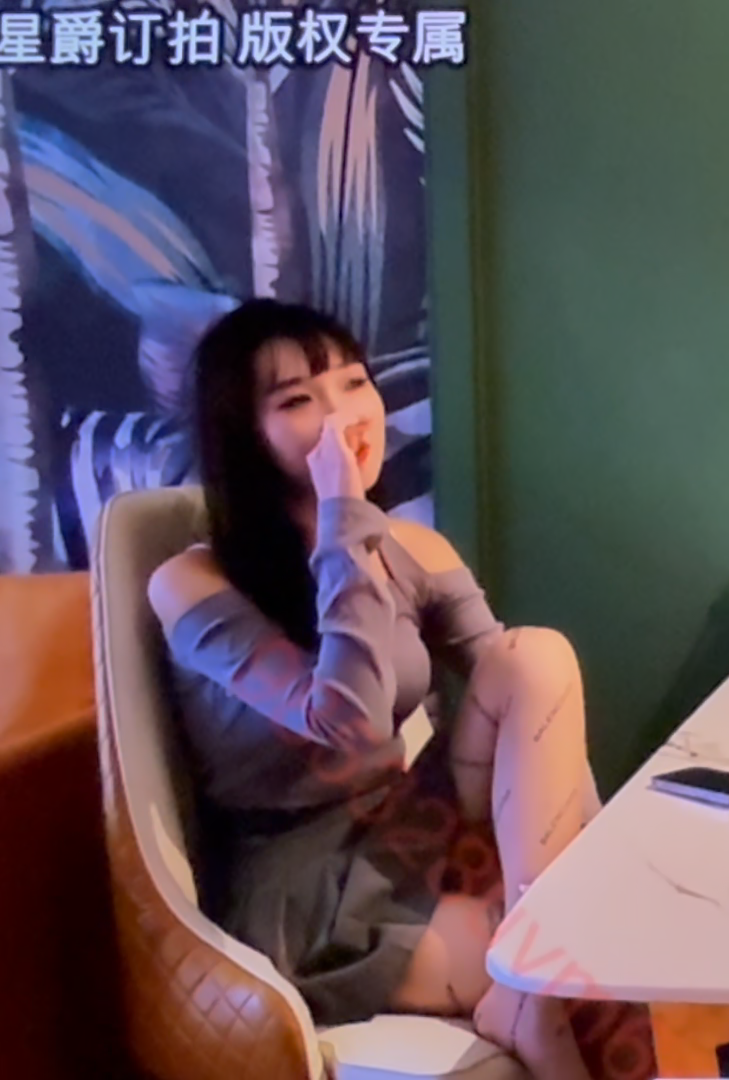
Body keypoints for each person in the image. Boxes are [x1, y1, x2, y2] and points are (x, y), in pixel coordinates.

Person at [147, 299, 651, 1080]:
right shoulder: (192, 584)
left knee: (536, 656)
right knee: (571, 985)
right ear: (245, 434)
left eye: (355, 383)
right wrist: (343, 520)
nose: (344, 415)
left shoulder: (414, 550)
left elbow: (533, 713)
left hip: (408, 830)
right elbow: (345, 724)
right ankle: (534, 988)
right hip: (306, 885)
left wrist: (596, 866)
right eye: (298, 400)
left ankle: (541, 955)